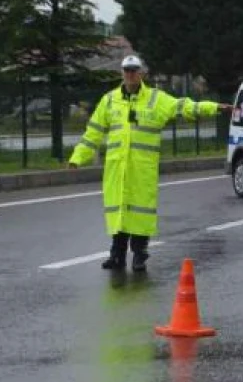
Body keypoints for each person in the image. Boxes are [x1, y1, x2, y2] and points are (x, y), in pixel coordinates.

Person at [68, 55, 232, 271]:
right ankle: (116, 255)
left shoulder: (156, 99)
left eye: (134, 70)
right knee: (118, 212)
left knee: (140, 214)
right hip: (117, 169)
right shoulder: (109, 100)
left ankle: (139, 255)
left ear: (142, 73)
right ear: (122, 73)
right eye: (127, 70)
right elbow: (93, 133)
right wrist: (77, 158)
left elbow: (183, 106)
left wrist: (214, 107)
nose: (130, 74)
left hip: (142, 169)